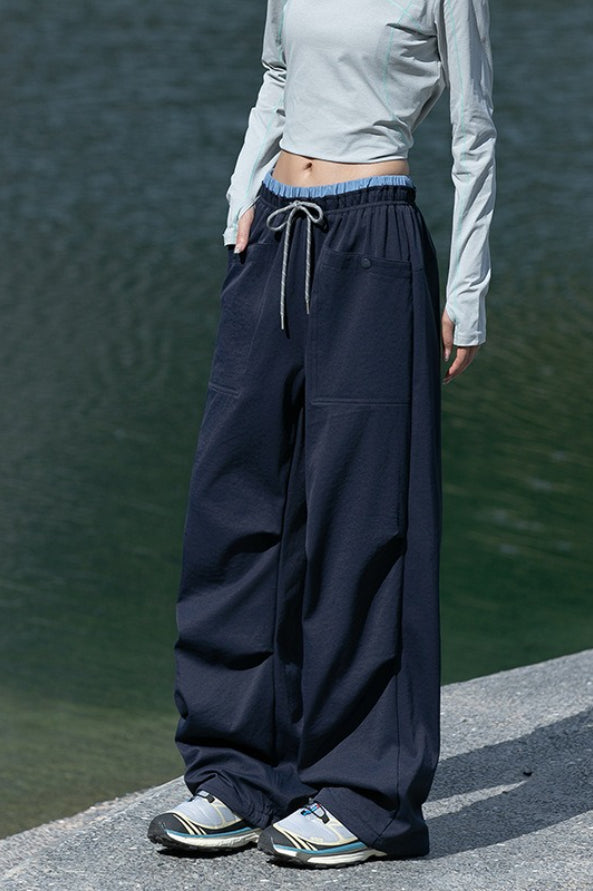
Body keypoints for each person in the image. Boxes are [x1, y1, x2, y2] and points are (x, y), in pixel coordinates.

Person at [148, 0, 496, 869]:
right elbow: (276, 76)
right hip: (274, 229)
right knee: (236, 504)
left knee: (364, 520)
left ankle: (364, 794)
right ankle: (239, 773)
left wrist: (467, 288)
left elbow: (474, 130)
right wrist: (241, 194)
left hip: (374, 234)